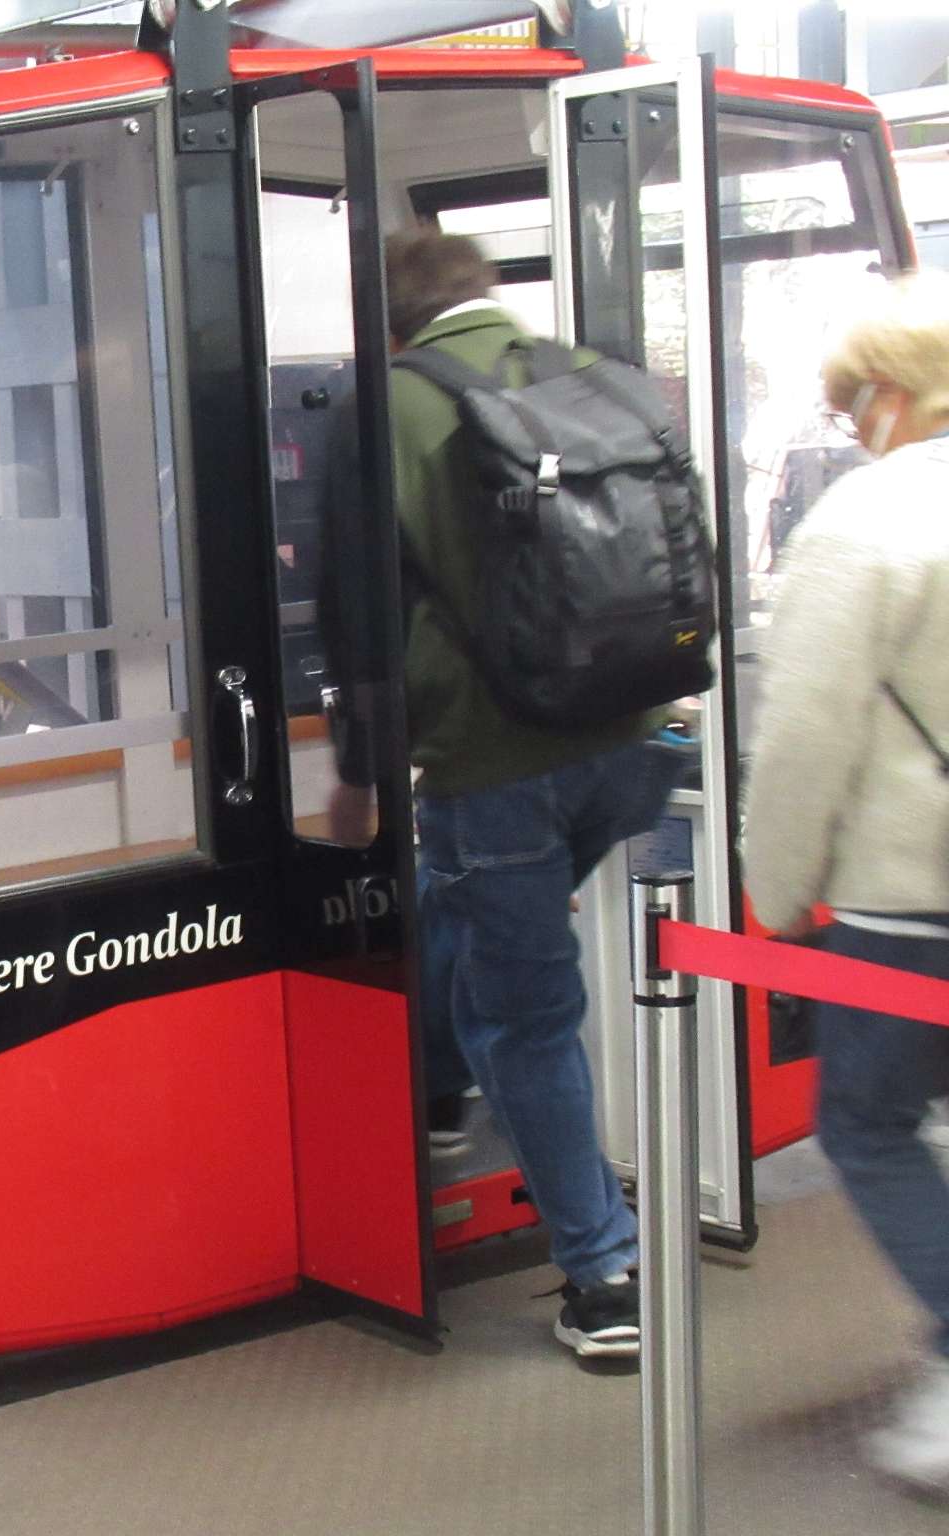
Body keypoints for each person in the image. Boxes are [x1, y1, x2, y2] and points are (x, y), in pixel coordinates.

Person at [327, 229, 679, 1360]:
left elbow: (356, 616)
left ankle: (600, 1274)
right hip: (633, 744)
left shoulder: (381, 408)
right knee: (460, 908)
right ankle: (433, 1095)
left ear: (384, 327)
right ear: (484, 298)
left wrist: (356, 778)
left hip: (494, 767)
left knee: (524, 1021)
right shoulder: (593, 377)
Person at [742, 271, 949, 1491]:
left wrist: (772, 898)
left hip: (904, 897)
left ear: (886, 395)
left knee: (866, 1123)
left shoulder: (862, 525)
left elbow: (803, 737)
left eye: (844, 402)